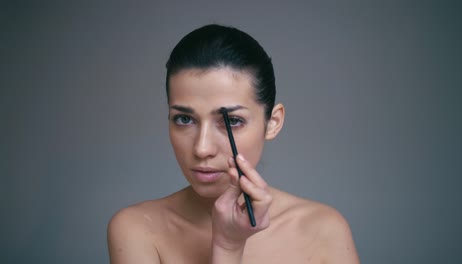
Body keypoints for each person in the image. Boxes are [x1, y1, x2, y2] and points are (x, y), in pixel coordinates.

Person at [107, 24, 360, 263]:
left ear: (272, 122)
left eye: (232, 121)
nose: (202, 149)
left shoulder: (323, 231)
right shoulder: (138, 229)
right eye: (184, 119)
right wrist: (228, 247)